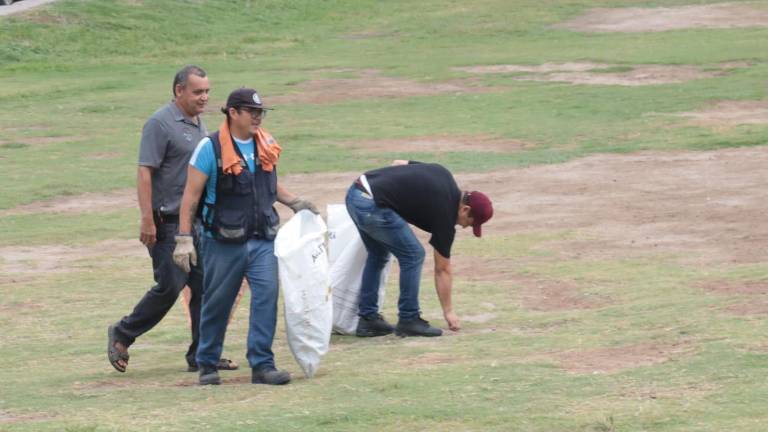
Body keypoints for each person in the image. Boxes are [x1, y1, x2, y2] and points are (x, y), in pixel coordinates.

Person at [173, 87, 318, 386]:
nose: (258, 117)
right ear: (233, 113)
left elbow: (267, 185)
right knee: (217, 302)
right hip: (222, 241)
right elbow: (191, 196)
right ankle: (208, 364)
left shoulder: (266, 144)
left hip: (263, 238)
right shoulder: (209, 148)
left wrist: (294, 201)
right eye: (252, 112)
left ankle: (262, 365)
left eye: (260, 112)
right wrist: (184, 238)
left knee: (266, 297)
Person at [107, 65, 238, 374]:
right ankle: (122, 333)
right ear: (179, 91)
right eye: (197, 92)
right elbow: (144, 172)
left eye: (207, 91)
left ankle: (202, 354)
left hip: (194, 221)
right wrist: (146, 219)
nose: (204, 97)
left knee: (205, 285)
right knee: (170, 285)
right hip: (165, 221)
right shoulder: (159, 123)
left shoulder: (199, 123)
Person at [345, 160, 493, 338]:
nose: (464, 227)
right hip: (373, 205)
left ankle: (368, 320)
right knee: (413, 255)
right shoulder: (445, 216)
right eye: (469, 223)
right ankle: (409, 319)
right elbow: (442, 269)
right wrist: (449, 312)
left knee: (378, 254)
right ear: (465, 209)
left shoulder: (443, 173)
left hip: (356, 193)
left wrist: (400, 195)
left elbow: (399, 163)